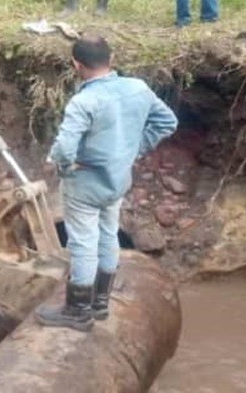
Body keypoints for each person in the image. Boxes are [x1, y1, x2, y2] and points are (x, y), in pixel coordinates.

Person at [36, 35, 178, 331]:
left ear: (76, 64)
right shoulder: (138, 88)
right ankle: (100, 303)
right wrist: (135, 148)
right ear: (111, 59)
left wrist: (65, 168)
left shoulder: (84, 101)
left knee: (83, 243)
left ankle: (77, 312)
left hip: (85, 184)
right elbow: (168, 122)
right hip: (117, 181)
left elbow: (63, 149)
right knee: (108, 234)